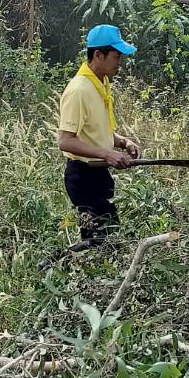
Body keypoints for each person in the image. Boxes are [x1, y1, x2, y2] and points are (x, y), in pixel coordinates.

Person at [56, 24, 141, 246]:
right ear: (98, 55)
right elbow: (65, 141)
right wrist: (106, 153)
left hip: (99, 174)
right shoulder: (79, 90)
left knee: (107, 237)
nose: (119, 63)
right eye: (116, 56)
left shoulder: (100, 84)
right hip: (83, 176)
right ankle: (53, 263)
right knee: (99, 241)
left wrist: (122, 142)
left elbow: (97, 130)